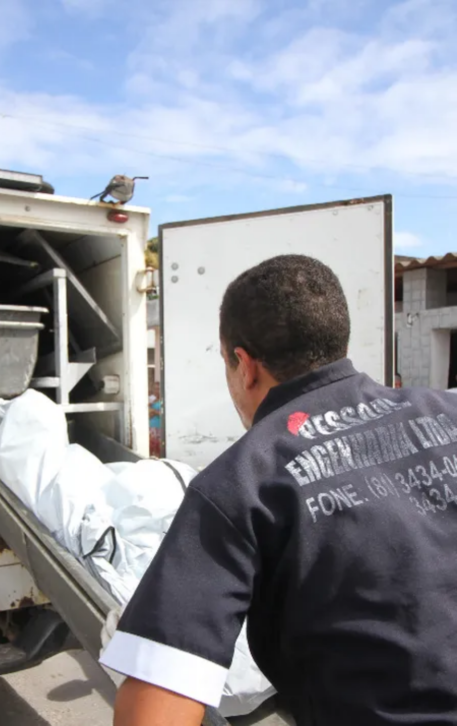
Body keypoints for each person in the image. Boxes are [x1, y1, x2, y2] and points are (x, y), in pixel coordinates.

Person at [100, 255, 457, 726]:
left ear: (244, 365)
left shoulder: (240, 482)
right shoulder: (446, 410)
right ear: (339, 341)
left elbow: (153, 715)